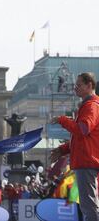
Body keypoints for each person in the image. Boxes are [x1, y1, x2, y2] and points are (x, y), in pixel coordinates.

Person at [50, 72, 99, 221]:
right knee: (87, 204)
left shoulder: (91, 106)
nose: (75, 88)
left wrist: (63, 120)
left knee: (88, 205)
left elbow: (83, 129)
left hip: (87, 162)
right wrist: (63, 149)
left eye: (78, 85)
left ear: (89, 85)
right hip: (86, 161)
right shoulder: (89, 106)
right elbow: (83, 137)